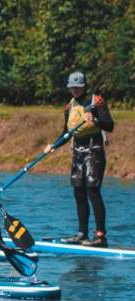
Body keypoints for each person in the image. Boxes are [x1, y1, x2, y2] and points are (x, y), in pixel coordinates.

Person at [46, 71, 115, 247]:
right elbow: (66, 133)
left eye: (78, 87)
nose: (75, 90)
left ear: (84, 86)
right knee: (78, 190)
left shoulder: (96, 101)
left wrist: (96, 119)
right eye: (72, 88)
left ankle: (100, 236)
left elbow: (110, 125)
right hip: (77, 150)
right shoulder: (69, 107)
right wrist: (53, 145)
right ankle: (82, 233)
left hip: (94, 149)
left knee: (93, 190)